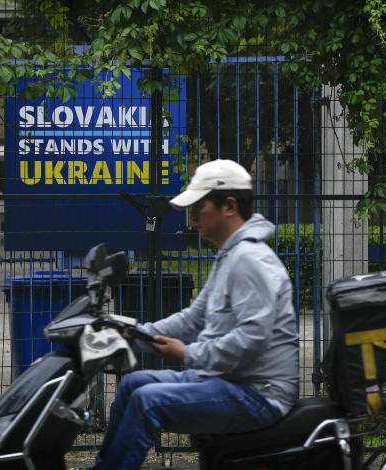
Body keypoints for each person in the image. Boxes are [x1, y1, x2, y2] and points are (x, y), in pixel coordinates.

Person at [93, 159, 299, 470]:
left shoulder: (251, 260)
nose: (191, 218)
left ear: (228, 205)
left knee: (147, 402)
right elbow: (194, 319)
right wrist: (134, 334)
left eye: (198, 207)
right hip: (227, 379)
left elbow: (250, 338)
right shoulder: (231, 255)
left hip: (259, 393)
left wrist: (188, 353)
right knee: (132, 385)